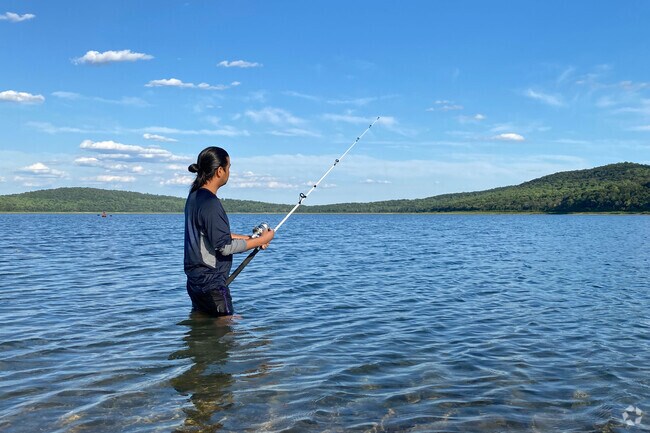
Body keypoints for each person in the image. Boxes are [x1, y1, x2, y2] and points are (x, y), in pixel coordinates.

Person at [184, 146, 274, 317]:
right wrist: (262, 240)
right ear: (219, 171)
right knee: (226, 335)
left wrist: (251, 238)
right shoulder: (211, 203)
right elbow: (224, 246)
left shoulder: (194, 197)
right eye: (229, 167)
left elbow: (215, 235)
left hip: (195, 283)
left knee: (202, 332)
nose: (229, 172)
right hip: (211, 284)